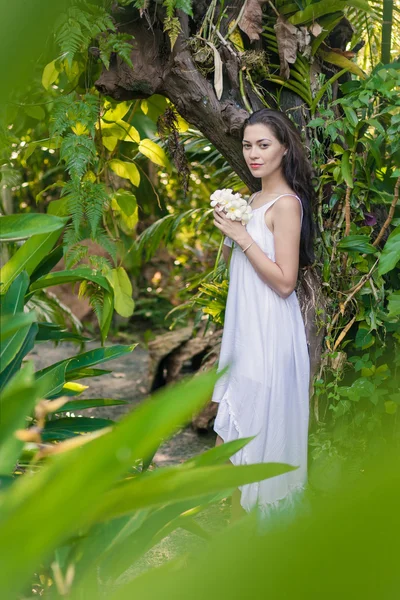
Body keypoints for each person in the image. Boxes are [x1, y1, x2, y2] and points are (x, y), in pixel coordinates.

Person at [211, 108, 315, 524]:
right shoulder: (251, 200)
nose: (253, 154)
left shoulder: (286, 204)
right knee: (232, 441)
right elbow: (243, 268)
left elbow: (286, 282)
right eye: (248, 145)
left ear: (284, 149)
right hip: (245, 333)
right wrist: (232, 233)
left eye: (264, 145)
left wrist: (241, 237)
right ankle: (237, 548)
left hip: (270, 335)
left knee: (248, 443)